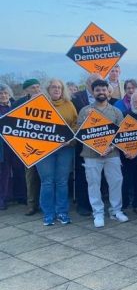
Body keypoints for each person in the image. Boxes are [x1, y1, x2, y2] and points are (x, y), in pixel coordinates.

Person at [77, 79, 128, 228]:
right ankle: (98, 212)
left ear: (108, 92)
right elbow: (80, 132)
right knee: (93, 184)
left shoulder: (116, 111)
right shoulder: (85, 110)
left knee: (116, 182)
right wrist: (96, 146)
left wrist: (110, 147)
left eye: (104, 90)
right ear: (93, 92)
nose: (101, 92)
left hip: (112, 154)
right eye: (98, 90)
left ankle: (116, 210)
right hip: (90, 154)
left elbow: (121, 133)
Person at [36, 79, 78, 225]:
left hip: (65, 149)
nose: (57, 90)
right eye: (54, 87)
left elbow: (75, 124)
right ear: (47, 89)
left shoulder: (69, 104)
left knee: (61, 181)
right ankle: (48, 213)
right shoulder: (39, 104)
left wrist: (69, 139)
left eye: (59, 87)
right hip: (44, 150)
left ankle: (62, 212)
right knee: (47, 181)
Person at [72, 73, 101, 216]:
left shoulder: (105, 97)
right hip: (82, 144)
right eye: (92, 82)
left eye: (98, 82)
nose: (95, 84)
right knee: (83, 174)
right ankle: (83, 204)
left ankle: (96, 203)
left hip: (100, 143)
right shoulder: (75, 97)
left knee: (96, 175)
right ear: (87, 83)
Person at [15, 79, 42, 216]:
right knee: (30, 176)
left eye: (38, 87)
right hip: (27, 147)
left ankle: (43, 203)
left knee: (45, 177)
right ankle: (31, 204)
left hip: (46, 145)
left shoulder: (46, 101)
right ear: (26, 90)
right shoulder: (18, 104)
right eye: (33, 88)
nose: (36, 90)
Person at [120, 91, 137, 215]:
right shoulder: (124, 115)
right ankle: (124, 204)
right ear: (130, 103)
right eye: (135, 102)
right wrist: (125, 150)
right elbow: (118, 136)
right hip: (125, 154)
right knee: (125, 180)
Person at [0, 84, 25, 210]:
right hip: (2, 146)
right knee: (3, 172)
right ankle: (2, 198)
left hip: (16, 144)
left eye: (5, 93)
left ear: (9, 94)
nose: (3, 96)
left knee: (19, 169)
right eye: (1, 94)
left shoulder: (16, 106)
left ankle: (21, 195)